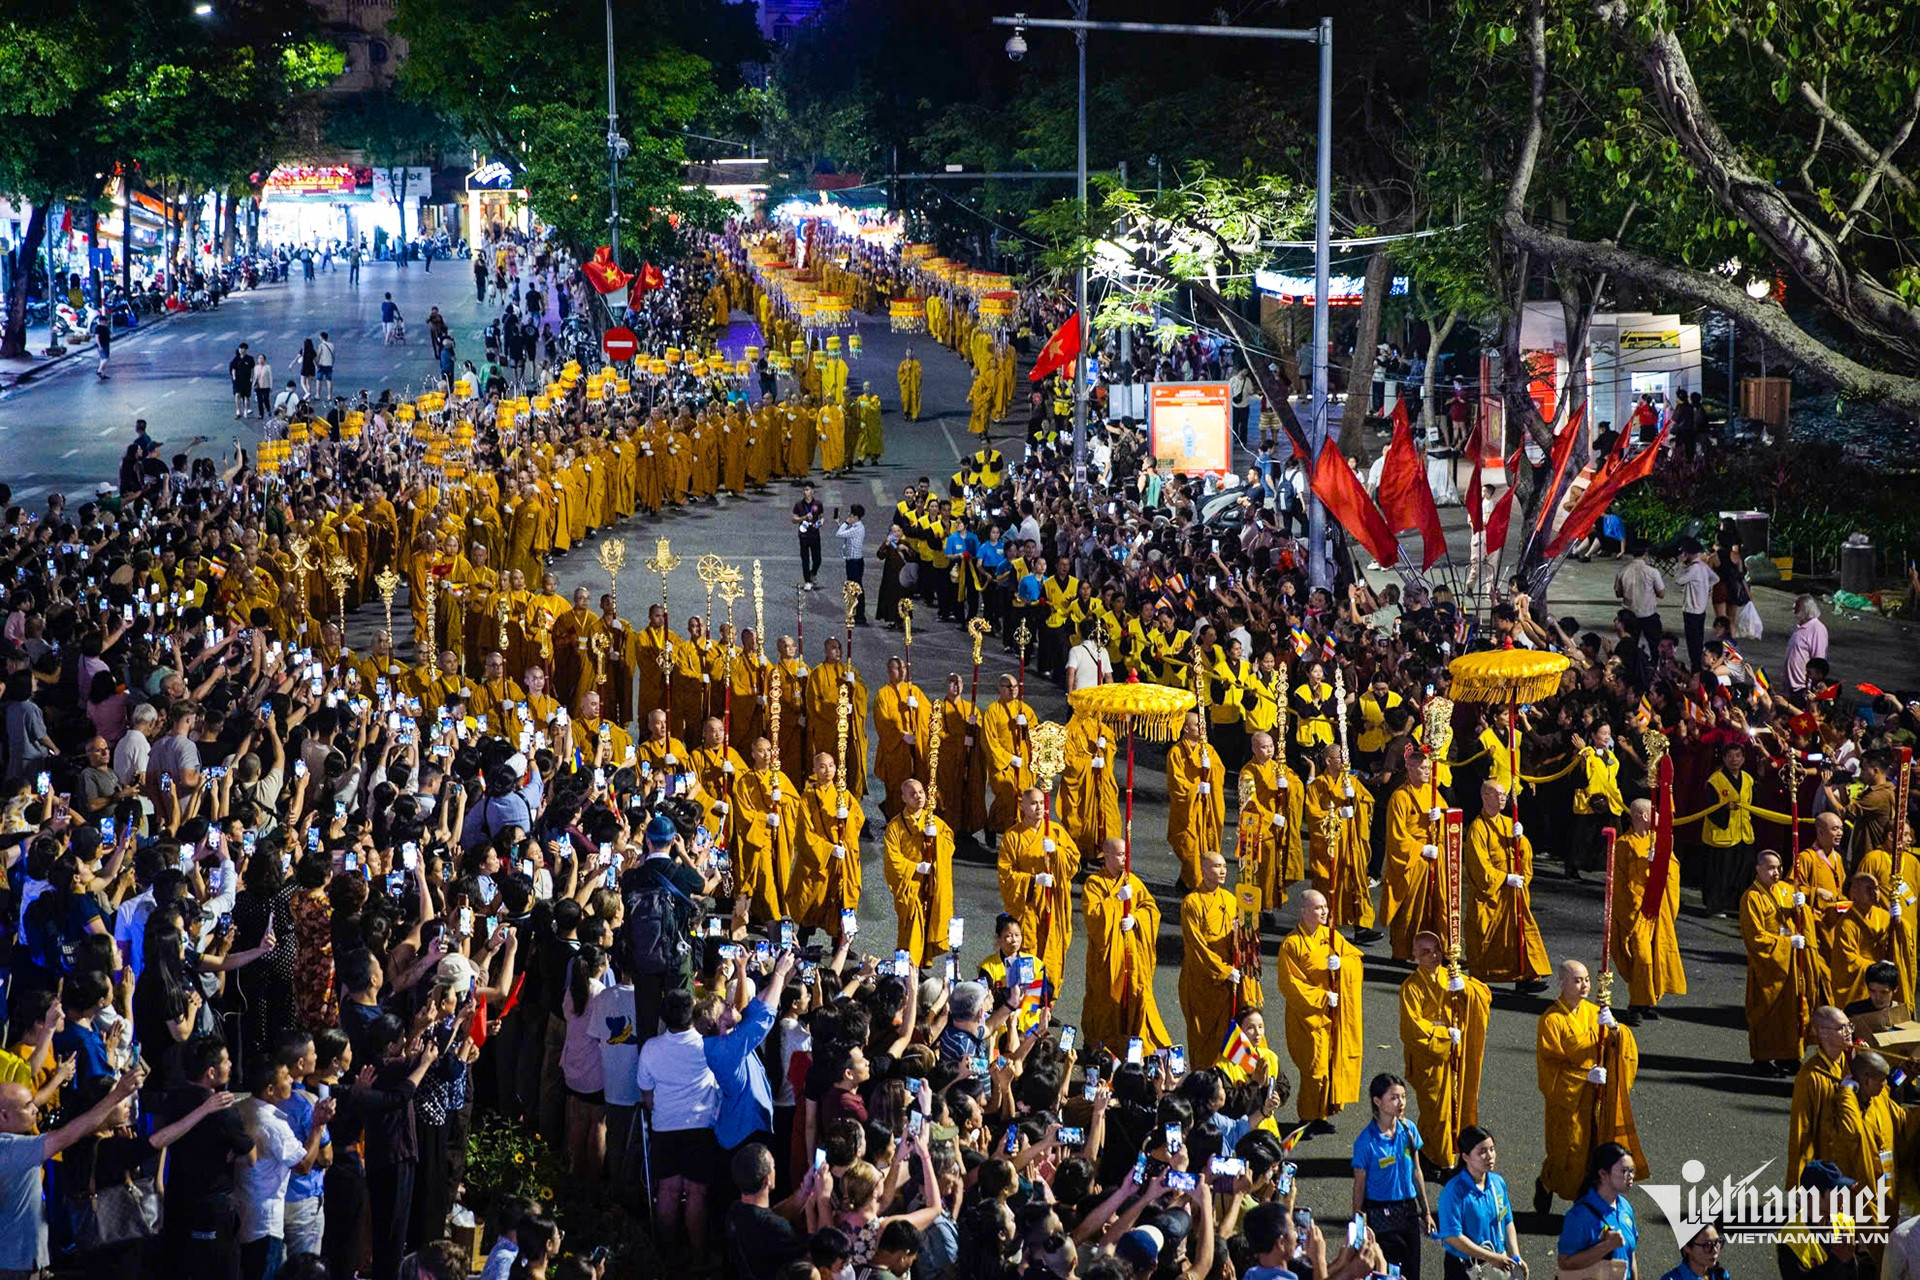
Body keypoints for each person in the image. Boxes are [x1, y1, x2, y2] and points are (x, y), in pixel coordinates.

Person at [0, 1061, 145, 1277]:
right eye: (27, 1105)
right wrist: (116, 1095)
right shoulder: (11, 1148)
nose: (35, 1109)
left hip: (25, 1259)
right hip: (15, 1262)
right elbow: (69, 1134)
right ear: (4, 1116)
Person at [1534, 960, 1645, 1214]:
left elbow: (1618, 1045)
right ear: (1562, 983)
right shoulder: (1551, 1020)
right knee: (1568, 1151)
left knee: (1593, 1150)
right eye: (1576, 980)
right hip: (1568, 1098)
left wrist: (1616, 1029)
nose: (1584, 985)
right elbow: (1550, 1065)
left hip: (1595, 1096)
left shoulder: (1596, 1012)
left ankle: (1583, 1206)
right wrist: (1585, 1077)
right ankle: (1546, 1183)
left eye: (1586, 979)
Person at [637, 987, 720, 1262]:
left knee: (667, 1191)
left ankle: (666, 1255)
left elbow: (646, 1096)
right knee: (696, 1193)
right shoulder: (707, 1044)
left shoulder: (651, 1048)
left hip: (665, 1127)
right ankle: (697, 1255)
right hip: (701, 1126)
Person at [1275, 888, 1363, 1137]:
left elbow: (1355, 960)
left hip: (1331, 1015)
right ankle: (1306, 1116)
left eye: (1325, 907)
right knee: (1313, 1069)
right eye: (1317, 907)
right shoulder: (1292, 944)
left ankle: (1320, 1115)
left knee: (1329, 1065)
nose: (1323, 911)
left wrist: (1342, 964)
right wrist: (1323, 997)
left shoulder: (1331, 936)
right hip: (1307, 1015)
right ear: (1303, 912)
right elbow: (1290, 983)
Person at [1350, 1072, 1431, 1280]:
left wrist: (1427, 1212)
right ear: (1377, 1101)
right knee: (1387, 1273)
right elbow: (1359, 1186)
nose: (1401, 1103)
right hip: (1380, 1213)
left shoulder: (1409, 1130)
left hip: (1409, 1211)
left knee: (1412, 1272)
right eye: (1394, 1098)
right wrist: (1358, 1224)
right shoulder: (1366, 1142)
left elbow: (1417, 1171)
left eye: (1403, 1096)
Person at [1437, 1126, 1527, 1280]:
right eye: (1482, 1152)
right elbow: (1452, 1236)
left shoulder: (1498, 1183)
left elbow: (1506, 1220)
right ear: (1465, 1157)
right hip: (1464, 1269)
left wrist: (1516, 1257)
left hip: (1496, 1264)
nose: (1489, 1156)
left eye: (1492, 1149)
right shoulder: (1453, 1192)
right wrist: (1490, 1257)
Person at [1556, 1142, 1639, 1280]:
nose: (1630, 1176)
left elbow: (1631, 1253)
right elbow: (1565, 1262)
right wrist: (1606, 1246)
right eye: (1624, 1171)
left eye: (1632, 1170)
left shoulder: (1625, 1207)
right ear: (1603, 1174)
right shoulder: (1580, 1216)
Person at [836, 504, 868, 625]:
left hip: (855, 562)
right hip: (853, 561)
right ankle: (855, 612)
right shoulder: (856, 527)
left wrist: (845, 522)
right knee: (852, 587)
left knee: (856, 588)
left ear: (855, 516)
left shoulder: (857, 528)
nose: (849, 516)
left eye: (850, 514)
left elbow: (839, 534)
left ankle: (860, 615)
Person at [1658, 1226, 1729, 1280]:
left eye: (1717, 1243)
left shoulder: (1722, 1275)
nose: (1715, 1251)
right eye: (1707, 1245)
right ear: (1687, 1247)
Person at [794, 486, 824, 590]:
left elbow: (821, 516)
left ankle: (813, 573)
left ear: (812, 491)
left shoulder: (818, 504)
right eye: (804, 490)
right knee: (805, 560)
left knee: (818, 559)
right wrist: (804, 518)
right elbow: (794, 519)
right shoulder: (799, 505)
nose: (805, 492)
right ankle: (807, 581)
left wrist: (821, 522)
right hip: (804, 536)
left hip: (815, 534)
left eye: (807, 490)